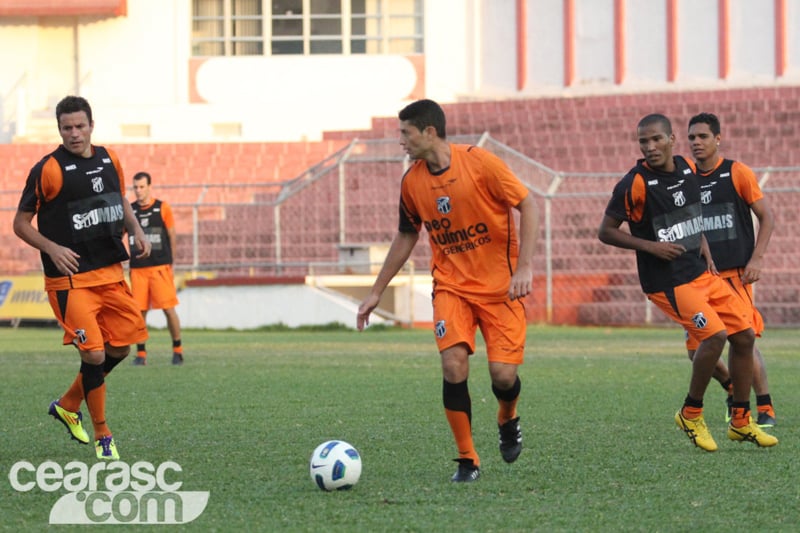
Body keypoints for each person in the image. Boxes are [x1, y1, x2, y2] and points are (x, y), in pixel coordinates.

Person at [356, 99, 538, 482]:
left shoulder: (481, 163)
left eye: (405, 133)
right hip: (451, 288)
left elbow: (528, 203)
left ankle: (508, 417)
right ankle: (467, 459)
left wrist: (524, 266)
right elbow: (407, 235)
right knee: (453, 364)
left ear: (429, 132)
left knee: (503, 377)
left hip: (500, 289)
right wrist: (376, 291)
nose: (400, 141)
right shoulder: (412, 182)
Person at [597, 113, 777, 452]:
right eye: (643, 142)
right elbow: (605, 232)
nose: (650, 147)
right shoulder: (634, 183)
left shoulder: (686, 169)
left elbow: (692, 214)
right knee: (714, 337)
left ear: (670, 140)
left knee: (744, 336)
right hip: (667, 282)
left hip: (699, 272)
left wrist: (704, 245)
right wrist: (651, 246)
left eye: (655, 140)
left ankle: (741, 420)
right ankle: (691, 412)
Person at [13, 95, 151, 460]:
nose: (74, 134)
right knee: (93, 354)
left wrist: (135, 228)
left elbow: (118, 199)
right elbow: (20, 223)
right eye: (66, 128)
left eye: (80, 126)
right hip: (70, 281)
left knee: (121, 347)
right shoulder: (49, 169)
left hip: (110, 272)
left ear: (92, 125)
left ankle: (68, 404)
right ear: (59, 129)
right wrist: (52, 248)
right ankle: (104, 434)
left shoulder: (110, 157)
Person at [684, 112, 776, 427]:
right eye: (692, 137)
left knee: (743, 340)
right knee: (697, 351)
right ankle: (732, 385)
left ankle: (765, 407)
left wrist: (757, 259)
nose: (696, 142)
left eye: (703, 136)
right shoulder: (686, 179)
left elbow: (768, 217)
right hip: (699, 278)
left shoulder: (737, 173)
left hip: (734, 274)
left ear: (718, 138)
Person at [129, 171, 184, 366]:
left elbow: (172, 235)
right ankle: (141, 354)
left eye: (142, 187)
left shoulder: (162, 208)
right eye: (135, 187)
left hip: (160, 267)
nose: (138, 191)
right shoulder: (129, 210)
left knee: (169, 310)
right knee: (139, 313)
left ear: (149, 187)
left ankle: (177, 350)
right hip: (138, 269)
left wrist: (172, 262)